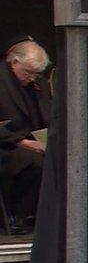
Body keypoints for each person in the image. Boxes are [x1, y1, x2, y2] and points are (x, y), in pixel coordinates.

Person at [0, 35, 51, 234]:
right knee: (34, 162)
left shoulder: (39, 83)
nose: (31, 78)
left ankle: (44, 213)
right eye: (28, 73)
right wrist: (23, 142)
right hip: (7, 144)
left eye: (35, 74)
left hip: (35, 141)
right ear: (14, 63)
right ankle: (18, 214)